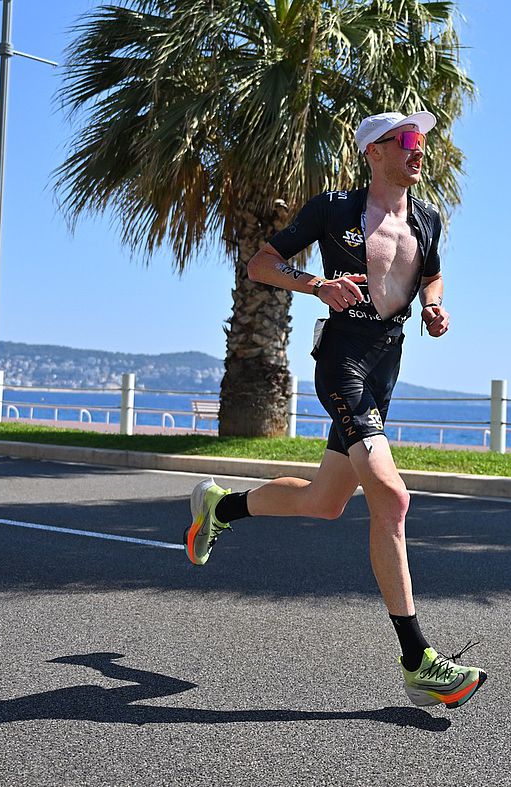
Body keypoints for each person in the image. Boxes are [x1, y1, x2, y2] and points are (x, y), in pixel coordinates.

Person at [183, 110, 486, 710]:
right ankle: (418, 660)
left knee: (325, 503)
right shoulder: (333, 210)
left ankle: (222, 506)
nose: (418, 150)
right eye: (406, 141)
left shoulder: (427, 219)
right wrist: (316, 285)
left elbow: (433, 276)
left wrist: (434, 307)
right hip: (342, 363)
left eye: (421, 141)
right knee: (392, 499)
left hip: (386, 368)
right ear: (375, 151)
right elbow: (262, 264)